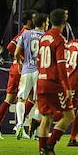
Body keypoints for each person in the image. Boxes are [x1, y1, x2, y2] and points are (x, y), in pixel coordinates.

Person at [35, 8, 75, 155]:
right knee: (69, 115)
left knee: (46, 119)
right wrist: (66, 87)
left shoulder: (44, 38)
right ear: (64, 22)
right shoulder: (60, 40)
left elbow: (39, 61)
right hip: (53, 83)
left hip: (41, 81)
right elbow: (61, 66)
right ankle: (49, 147)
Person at [0, 10, 34, 139]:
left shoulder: (25, 32)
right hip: (21, 68)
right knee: (29, 98)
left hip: (17, 68)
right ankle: (18, 125)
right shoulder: (25, 33)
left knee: (20, 99)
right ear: (30, 20)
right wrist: (21, 58)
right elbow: (10, 46)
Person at [14, 11, 48, 139]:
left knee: (21, 99)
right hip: (40, 72)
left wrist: (19, 63)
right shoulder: (46, 36)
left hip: (27, 69)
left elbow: (17, 53)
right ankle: (34, 132)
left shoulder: (26, 34)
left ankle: (19, 126)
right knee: (39, 102)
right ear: (44, 24)